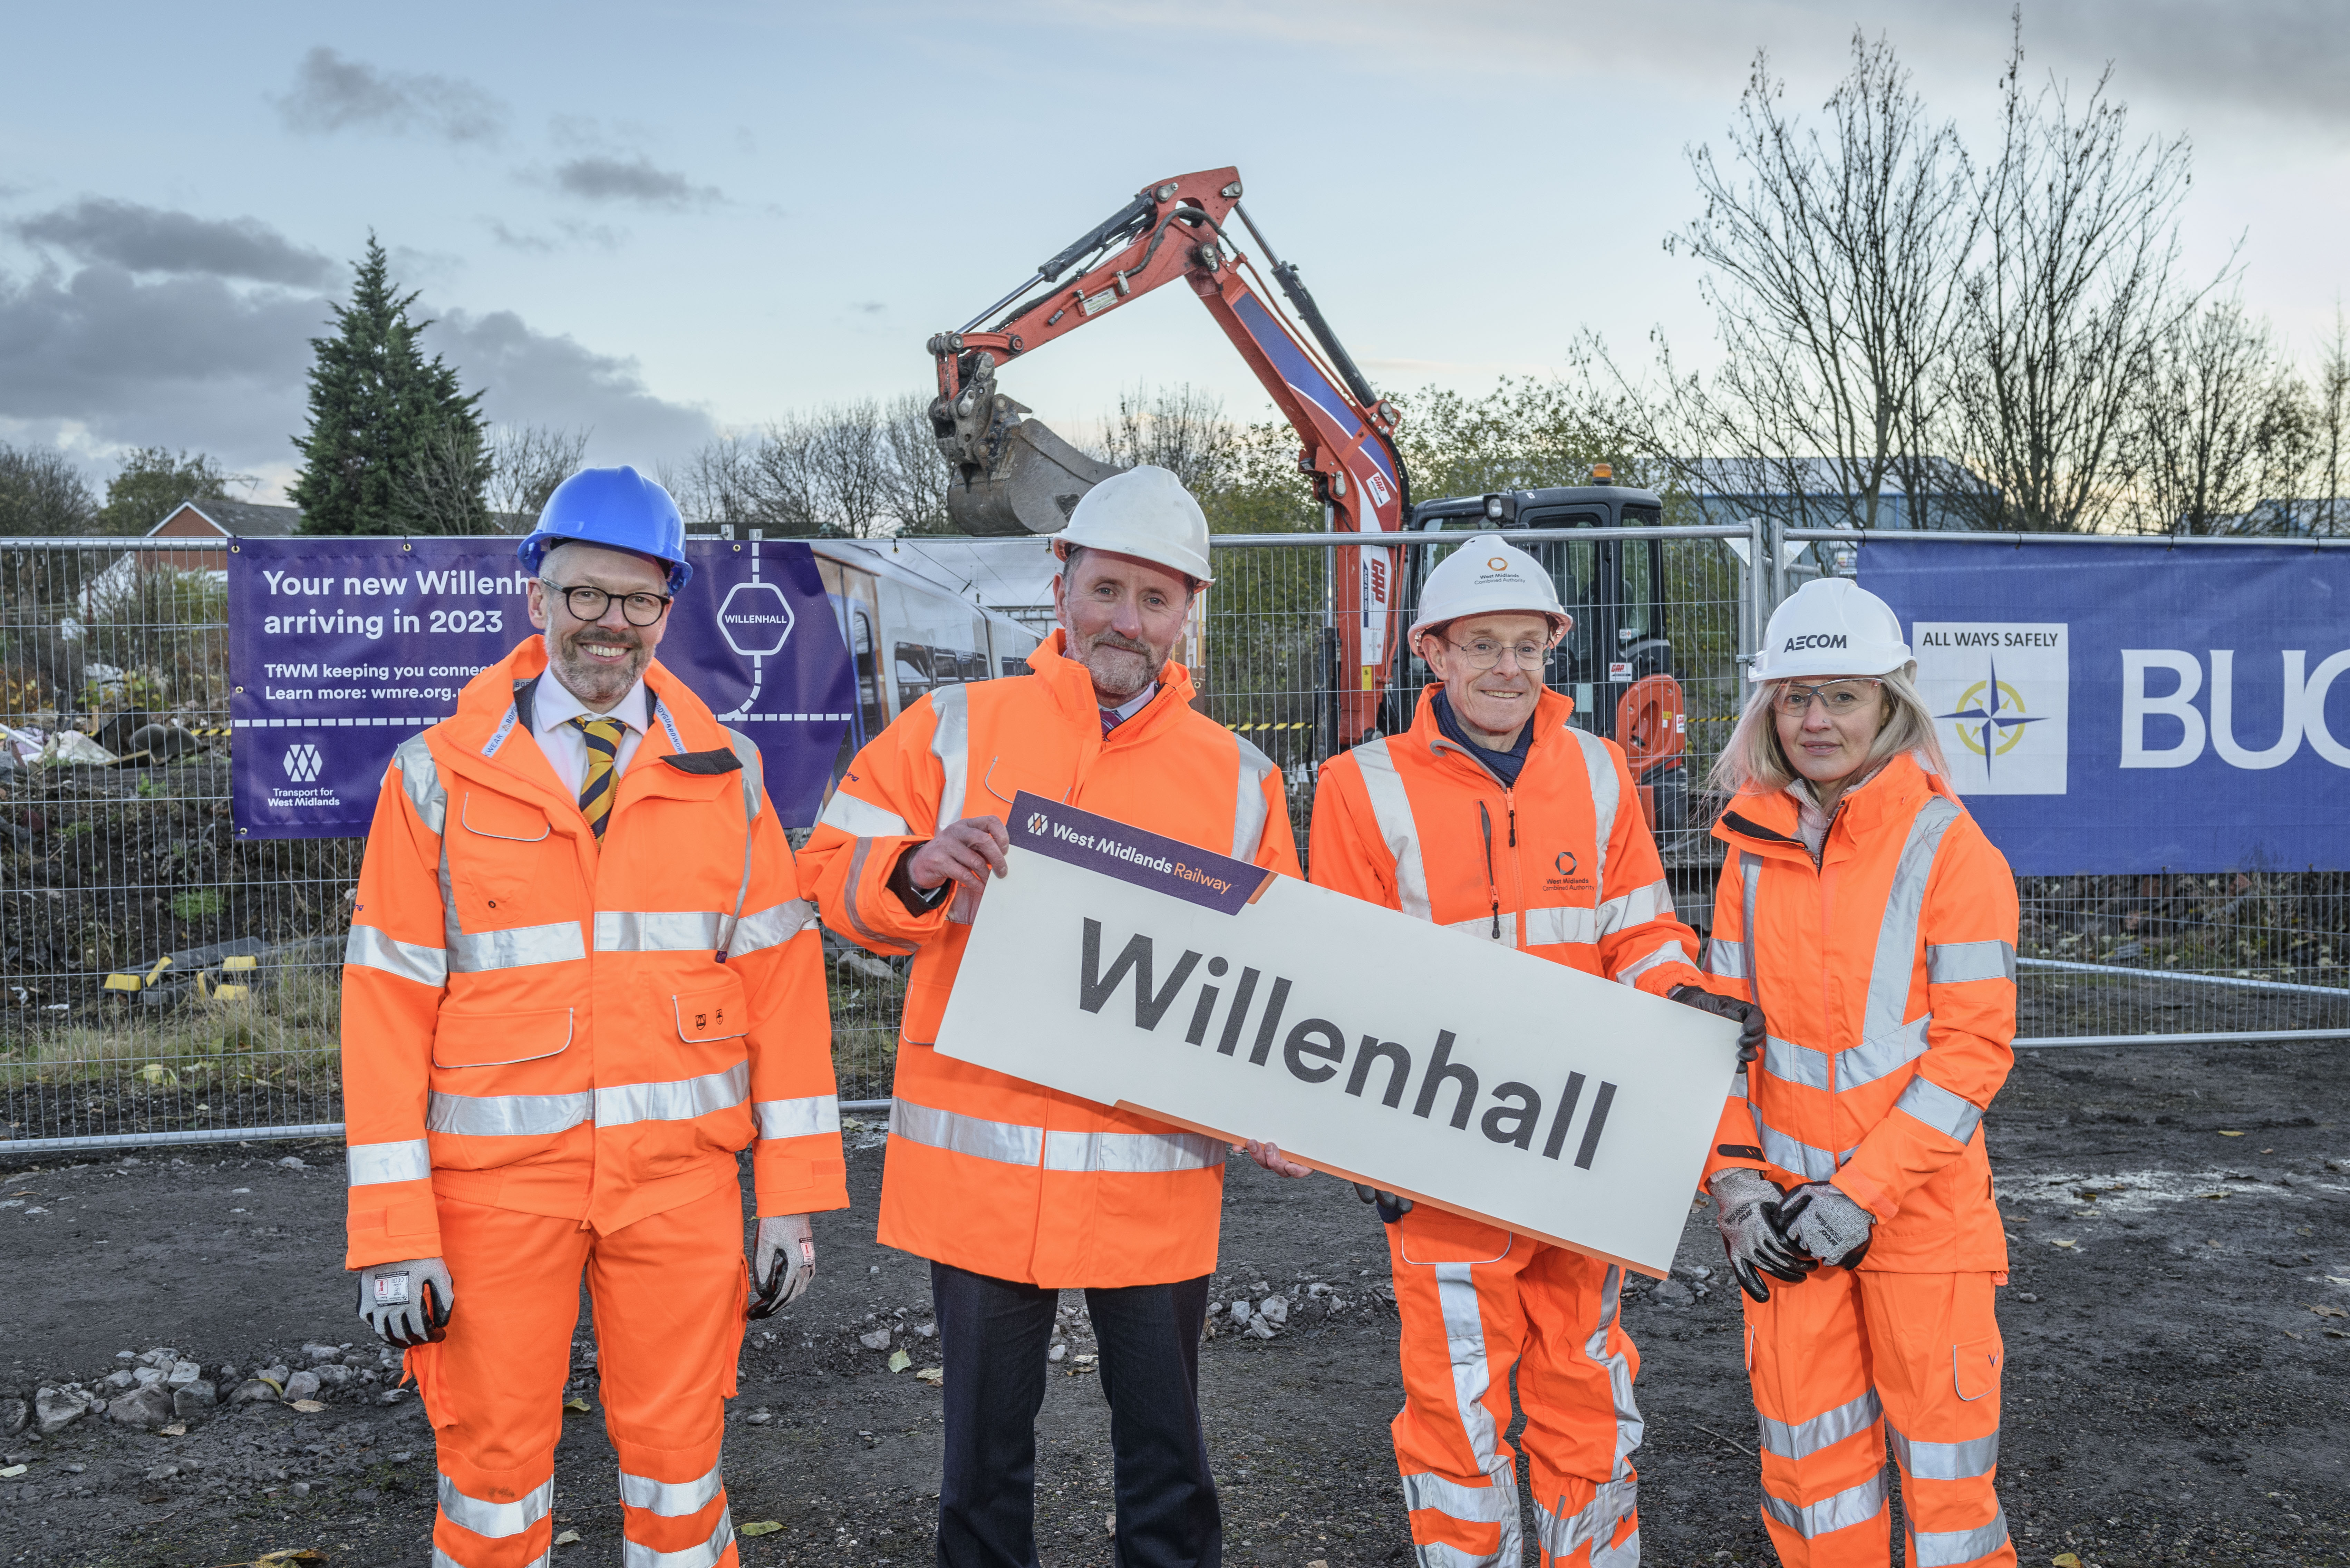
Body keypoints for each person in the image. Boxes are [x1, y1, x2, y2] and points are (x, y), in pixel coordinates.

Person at [340, 467, 848, 1568]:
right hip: (493, 1193)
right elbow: (383, 1007)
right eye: (584, 595)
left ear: (669, 610)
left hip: (681, 1186)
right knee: (491, 1477)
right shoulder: (435, 777)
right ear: (536, 596)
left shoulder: (730, 772)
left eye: (638, 601)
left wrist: (793, 1204)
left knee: (680, 1469)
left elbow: (783, 992)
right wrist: (393, 1239)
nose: (611, 626)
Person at [802, 464, 1302, 1568]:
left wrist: (1280, 1105)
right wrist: (916, 866)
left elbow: (1275, 983)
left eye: (1156, 599)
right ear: (1061, 582)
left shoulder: (1240, 780)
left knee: (1170, 1465)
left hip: (1151, 1184)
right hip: (982, 1181)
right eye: (1109, 589)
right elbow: (827, 871)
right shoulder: (948, 731)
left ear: (1188, 614)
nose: (1129, 619)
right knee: (982, 1470)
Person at [1308, 536, 1768, 1568]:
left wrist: (1687, 996)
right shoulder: (1359, 787)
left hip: (1578, 1141)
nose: (1506, 668)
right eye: (1482, 645)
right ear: (1433, 653)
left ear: (1555, 646)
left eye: (1526, 644)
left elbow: (1640, 933)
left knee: (1587, 1388)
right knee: (1459, 1409)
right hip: (1442, 1145)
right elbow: (1341, 980)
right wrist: (1364, 1143)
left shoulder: (1602, 771)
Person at [1699, 576, 2019, 1567]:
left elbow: (1973, 1053)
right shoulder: (1747, 854)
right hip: (1789, 1228)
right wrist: (1738, 1183)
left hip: (1922, 1223)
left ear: (1891, 702)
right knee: (1812, 1483)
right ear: (1768, 709)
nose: (1816, 719)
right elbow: (1717, 1041)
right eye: (1795, 696)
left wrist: (1863, 1194)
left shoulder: (1952, 851)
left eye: (1842, 694)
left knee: (1949, 1492)